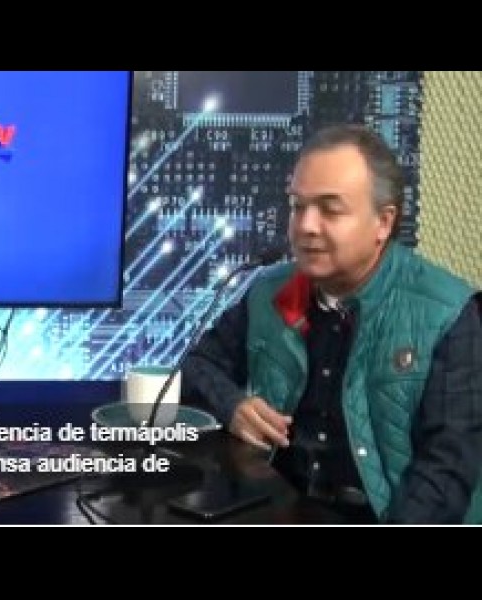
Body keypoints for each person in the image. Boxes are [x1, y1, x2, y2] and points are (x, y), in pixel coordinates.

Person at [182, 123, 482, 524]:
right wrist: (232, 405)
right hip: (278, 508)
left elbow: (446, 470)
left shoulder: (448, 311)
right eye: (297, 206)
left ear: (383, 222)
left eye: (330, 209)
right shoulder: (270, 291)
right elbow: (198, 366)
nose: (306, 226)